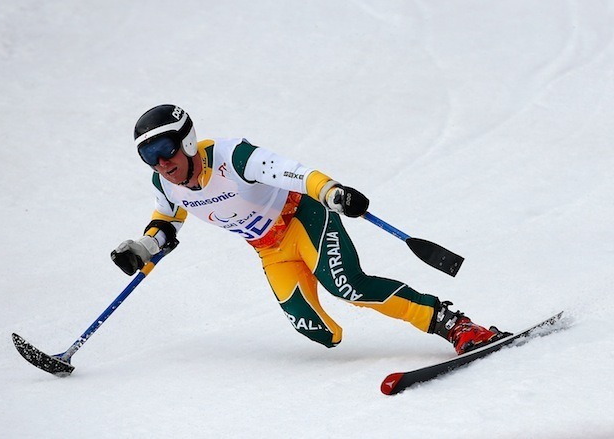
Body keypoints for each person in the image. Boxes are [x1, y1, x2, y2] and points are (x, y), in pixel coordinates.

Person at [111, 104, 509, 355]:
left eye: (166, 150)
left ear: (188, 142)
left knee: (347, 286)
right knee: (319, 332)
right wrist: (144, 247)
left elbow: (293, 172)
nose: (161, 163)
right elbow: (166, 221)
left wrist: (332, 192)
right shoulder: (165, 184)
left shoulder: (233, 157)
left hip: (304, 218)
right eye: (149, 156)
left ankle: (452, 324)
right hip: (269, 250)